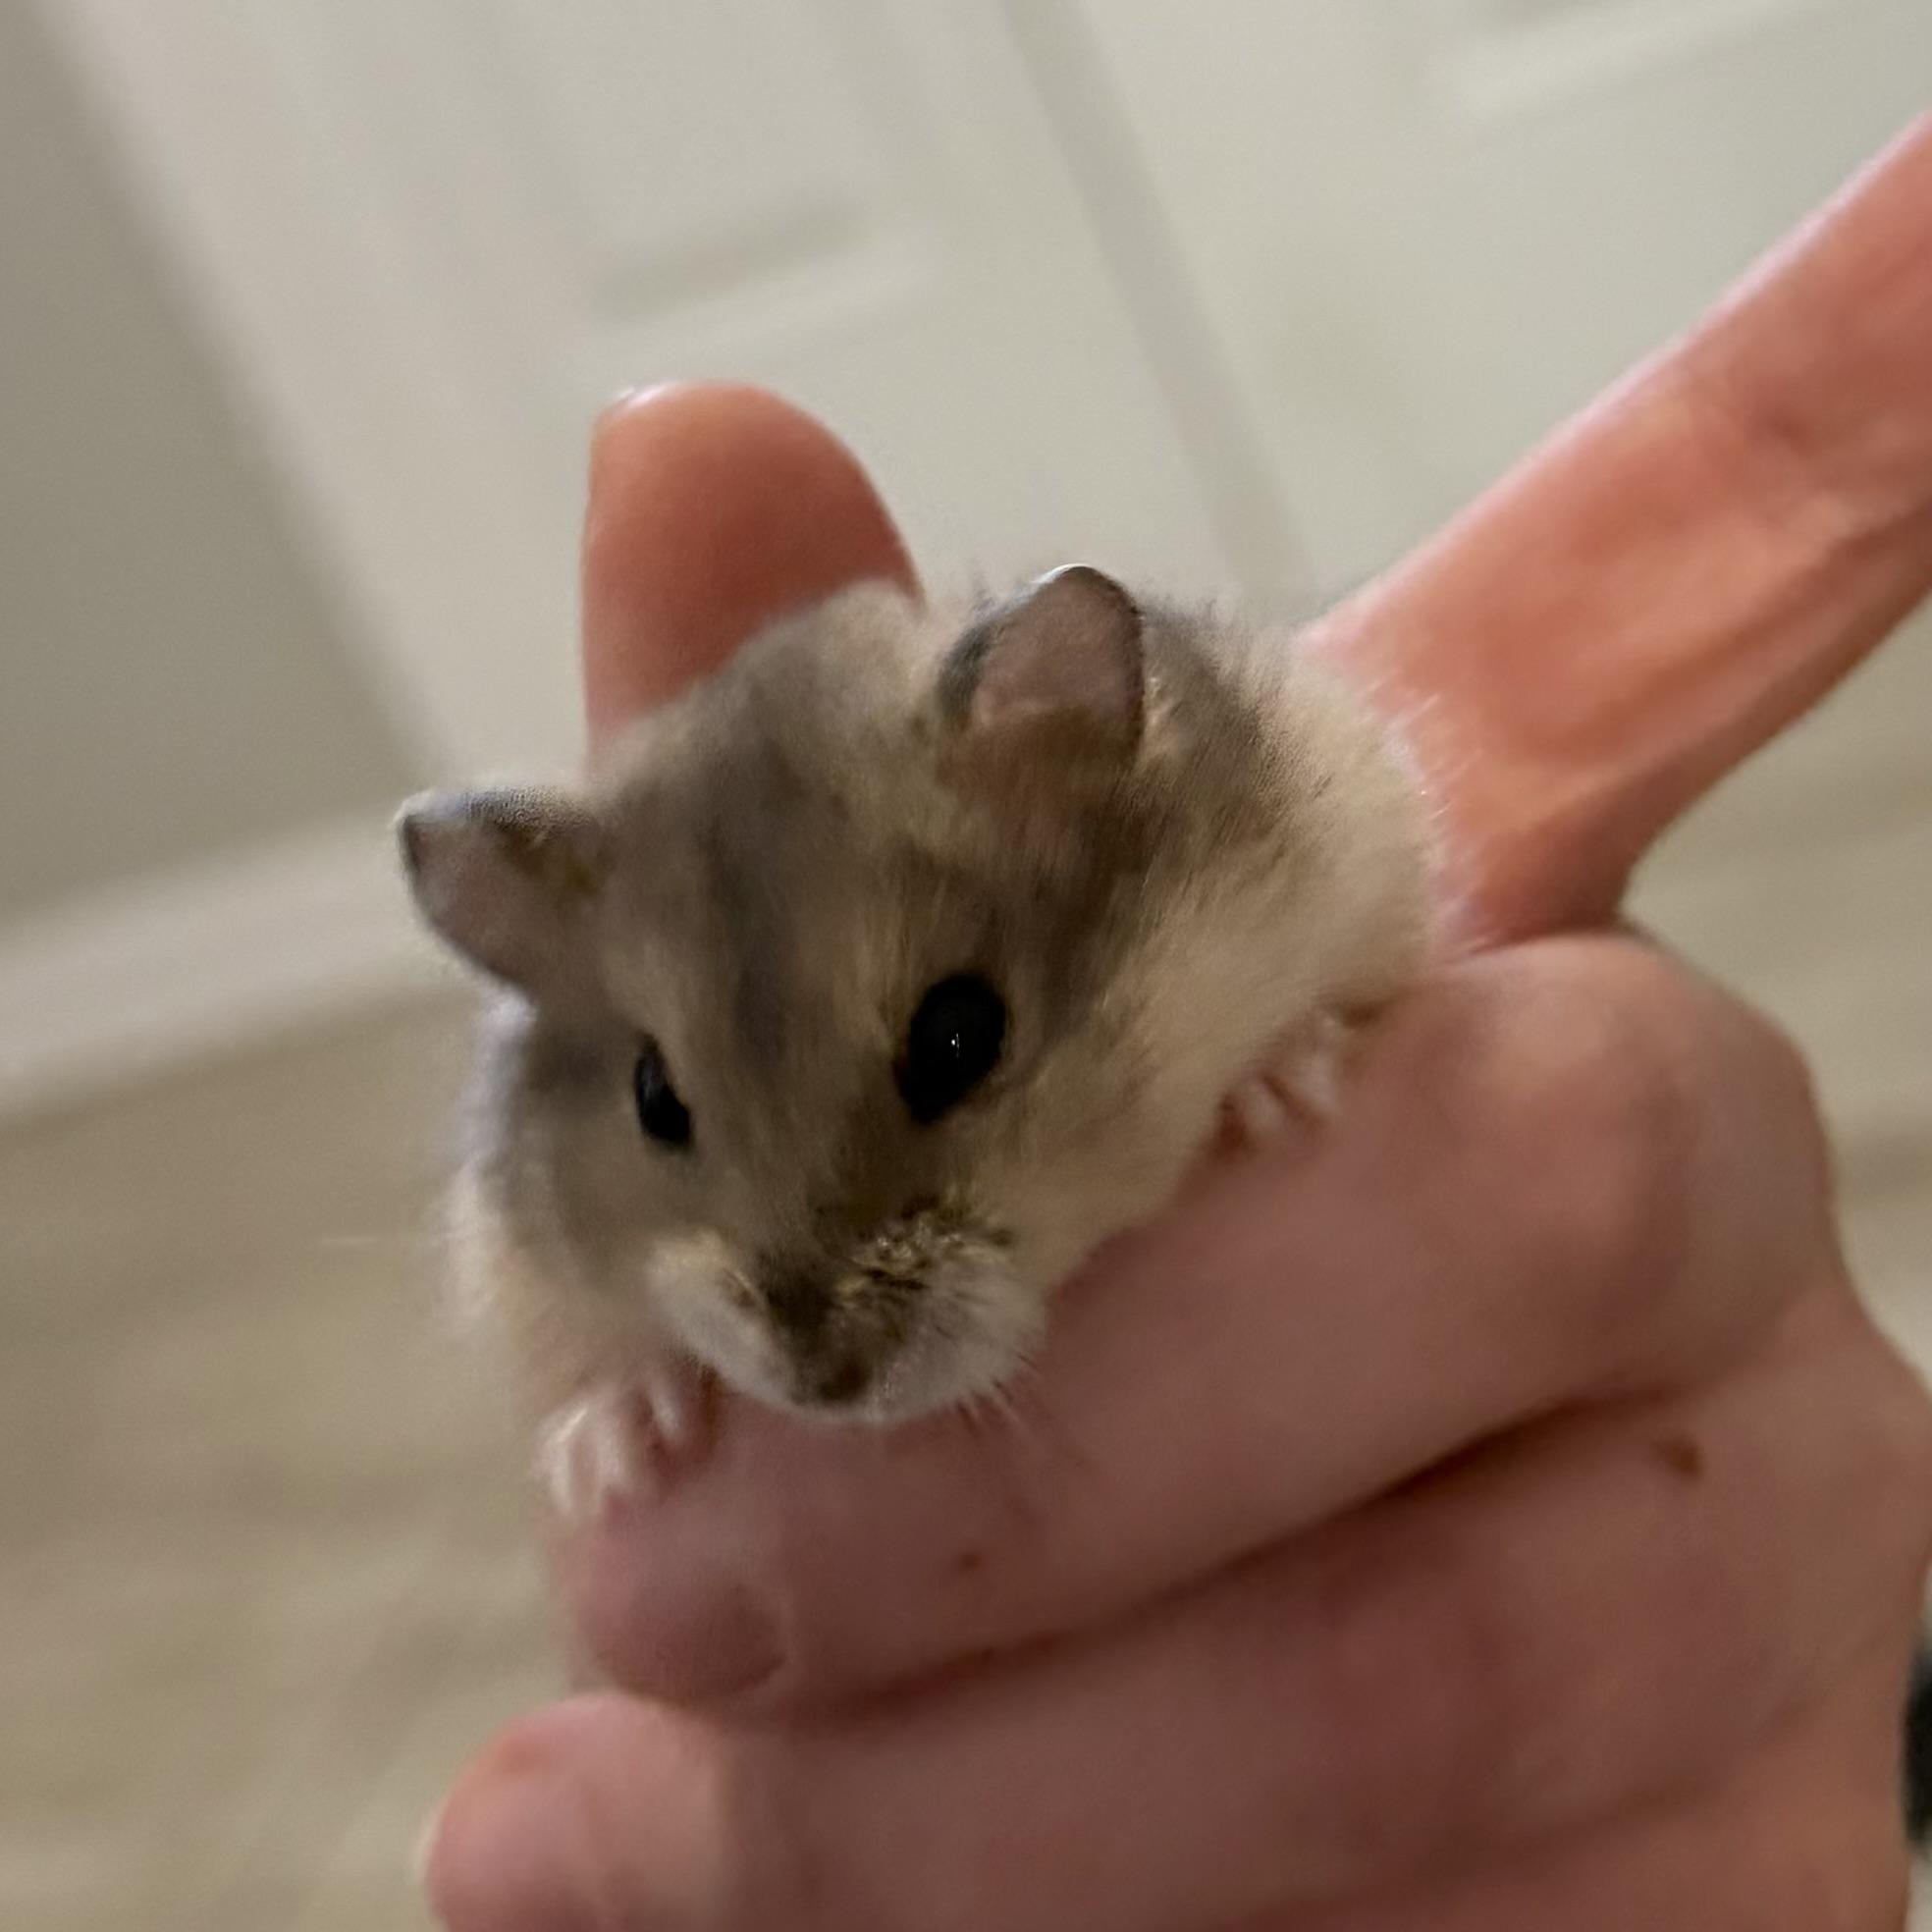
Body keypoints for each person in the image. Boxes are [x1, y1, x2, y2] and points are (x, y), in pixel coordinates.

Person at [423, 119, 1932, 1929]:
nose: (821, 1330)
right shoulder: (585, 1100)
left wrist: (1335, 1024)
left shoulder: (1225, 815)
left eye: (951, 1052)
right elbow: (535, 1245)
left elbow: (1356, 850)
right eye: (674, 1108)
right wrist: (621, 1382)